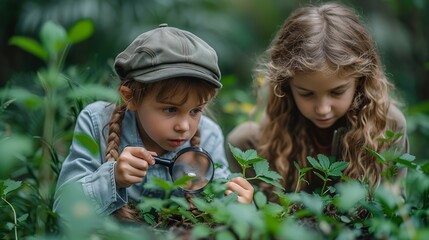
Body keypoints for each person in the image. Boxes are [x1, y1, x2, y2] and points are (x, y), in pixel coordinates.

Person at [54, 23, 254, 222]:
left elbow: (222, 204)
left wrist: (240, 205)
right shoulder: (98, 123)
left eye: (195, 111)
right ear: (130, 98)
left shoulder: (208, 136)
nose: (184, 126)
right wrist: (113, 177)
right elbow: (63, 210)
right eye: (170, 109)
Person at [227, 2, 409, 194]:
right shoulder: (267, 135)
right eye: (306, 94)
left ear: (361, 81)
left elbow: (394, 207)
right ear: (287, 87)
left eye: (337, 92)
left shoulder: (387, 126)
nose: (322, 109)